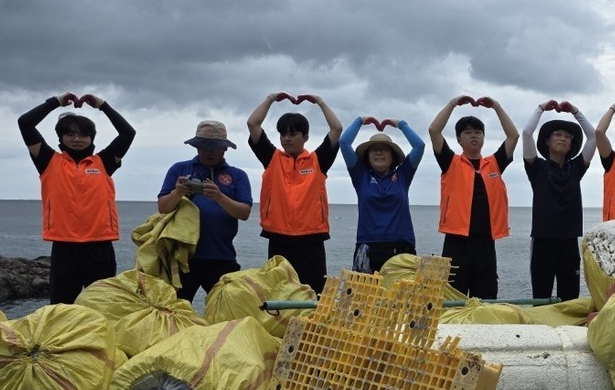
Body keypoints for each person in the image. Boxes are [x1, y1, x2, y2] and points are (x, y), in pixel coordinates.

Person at [17, 91, 138, 304]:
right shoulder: (48, 160)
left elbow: (128, 133)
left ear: (91, 138)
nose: (77, 139)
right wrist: (55, 102)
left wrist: (103, 106)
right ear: (61, 137)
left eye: (83, 135)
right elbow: (25, 123)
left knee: (103, 308)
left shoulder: (104, 162)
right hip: (64, 247)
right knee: (61, 309)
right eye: (70, 134)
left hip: (100, 246)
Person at [246, 91, 344, 295]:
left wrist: (319, 101)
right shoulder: (272, 158)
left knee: (314, 294)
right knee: (278, 293)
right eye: (283, 134)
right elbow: (253, 124)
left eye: (293, 134)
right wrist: (271, 98)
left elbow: (336, 128)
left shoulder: (318, 161)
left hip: (311, 239)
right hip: (278, 237)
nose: (286, 139)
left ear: (305, 137)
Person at [427, 95, 520, 298]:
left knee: (486, 298)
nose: (473, 136)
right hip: (456, 240)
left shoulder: (494, 163)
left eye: (478, 132)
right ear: (459, 139)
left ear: (484, 137)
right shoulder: (450, 162)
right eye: (467, 132)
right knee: (452, 297)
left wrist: (497, 106)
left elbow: (513, 136)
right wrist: (452, 103)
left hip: (486, 240)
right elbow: (434, 130)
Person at [157, 121, 253, 301]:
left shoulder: (237, 175)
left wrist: (219, 197)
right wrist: (178, 192)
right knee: (175, 309)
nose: (209, 151)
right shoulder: (179, 169)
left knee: (228, 309)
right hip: (183, 257)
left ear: (225, 148)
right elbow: (163, 207)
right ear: (196, 147)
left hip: (222, 256)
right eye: (203, 146)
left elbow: (244, 213)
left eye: (214, 147)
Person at [522, 100, 597, 300]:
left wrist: (575, 111)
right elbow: (527, 133)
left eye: (567, 136)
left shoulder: (576, 168)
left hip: (569, 241)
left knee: (570, 298)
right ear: (547, 140)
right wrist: (540, 108)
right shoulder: (536, 167)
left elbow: (593, 137)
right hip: (542, 242)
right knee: (541, 298)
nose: (563, 138)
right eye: (558, 134)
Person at [339, 117, 425, 273]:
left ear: (392, 155)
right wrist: (360, 121)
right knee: (364, 290)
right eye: (374, 149)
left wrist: (401, 124)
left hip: (402, 246)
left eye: (384, 149)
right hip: (367, 247)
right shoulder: (360, 175)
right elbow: (344, 143)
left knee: (402, 290)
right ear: (367, 156)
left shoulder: (403, 175)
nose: (378, 152)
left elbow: (419, 146)